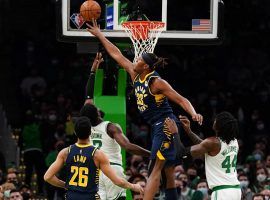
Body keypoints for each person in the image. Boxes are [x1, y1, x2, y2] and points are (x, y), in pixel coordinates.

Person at [86, 19, 203, 200]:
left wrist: (193, 112)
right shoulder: (135, 73)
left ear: (146, 66)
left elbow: (181, 99)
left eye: (139, 59)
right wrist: (100, 34)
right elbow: (116, 54)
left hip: (165, 124)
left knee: (154, 167)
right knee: (167, 171)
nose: (136, 59)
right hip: (155, 125)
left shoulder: (157, 83)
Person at [81, 52, 151, 200]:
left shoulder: (85, 128)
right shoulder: (111, 127)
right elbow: (128, 146)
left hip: (94, 172)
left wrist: (93, 71)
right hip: (112, 169)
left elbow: (88, 95)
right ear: (98, 113)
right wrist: (151, 154)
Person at [44, 116, 143, 200]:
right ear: (90, 132)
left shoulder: (65, 152)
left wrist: (66, 185)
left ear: (75, 132)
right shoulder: (97, 155)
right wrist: (134, 186)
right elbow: (117, 181)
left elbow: (47, 177)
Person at [165, 112, 241, 200]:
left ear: (219, 125)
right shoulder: (234, 142)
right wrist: (189, 132)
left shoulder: (213, 143)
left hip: (222, 192)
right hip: (235, 190)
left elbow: (182, 153)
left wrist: (175, 133)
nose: (214, 121)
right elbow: (205, 146)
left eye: (216, 120)